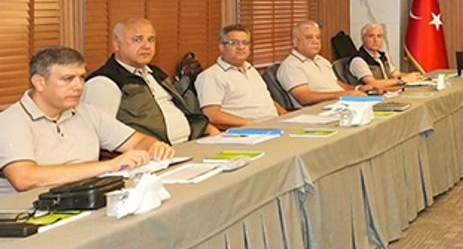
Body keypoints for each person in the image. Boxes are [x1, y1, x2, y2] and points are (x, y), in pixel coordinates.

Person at [0, 46, 174, 195]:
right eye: (68, 79)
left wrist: (154, 147)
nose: (78, 86)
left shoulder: (85, 112)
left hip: (83, 198)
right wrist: (109, 166)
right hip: (28, 213)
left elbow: (138, 141)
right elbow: (24, 178)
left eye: (81, 78)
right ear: (39, 82)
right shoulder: (11, 121)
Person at [83, 17, 216, 143]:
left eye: (151, 40)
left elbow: (183, 111)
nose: (146, 46)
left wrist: (209, 129)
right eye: (137, 40)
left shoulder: (156, 73)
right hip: (153, 153)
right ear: (117, 44)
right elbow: (101, 134)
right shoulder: (103, 82)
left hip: (191, 142)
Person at [195, 24, 284, 129]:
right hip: (249, 130)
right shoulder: (211, 76)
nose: (241, 47)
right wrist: (249, 124)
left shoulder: (250, 69)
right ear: (222, 47)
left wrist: (285, 115)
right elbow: (211, 114)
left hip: (274, 124)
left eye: (245, 43)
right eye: (233, 43)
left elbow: (266, 100)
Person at [278, 20, 367, 106]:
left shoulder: (322, 60)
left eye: (318, 37)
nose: (315, 41)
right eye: (309, 37)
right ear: (295, 42)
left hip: (342, 104)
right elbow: (305, 97)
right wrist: (342, 95)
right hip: (320, 110)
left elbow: (335, 84)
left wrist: (358, 89)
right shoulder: (291, 66)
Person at [350, 22, 423, 90]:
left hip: (389, 92)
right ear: (363, 39)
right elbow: (373, 84)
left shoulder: (382, 56)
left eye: (379, 36)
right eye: (371, 36)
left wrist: (414, 76)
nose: (376, 40)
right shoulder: (358, 60)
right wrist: (402, 80)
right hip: (371, 96)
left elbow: (396, 74)